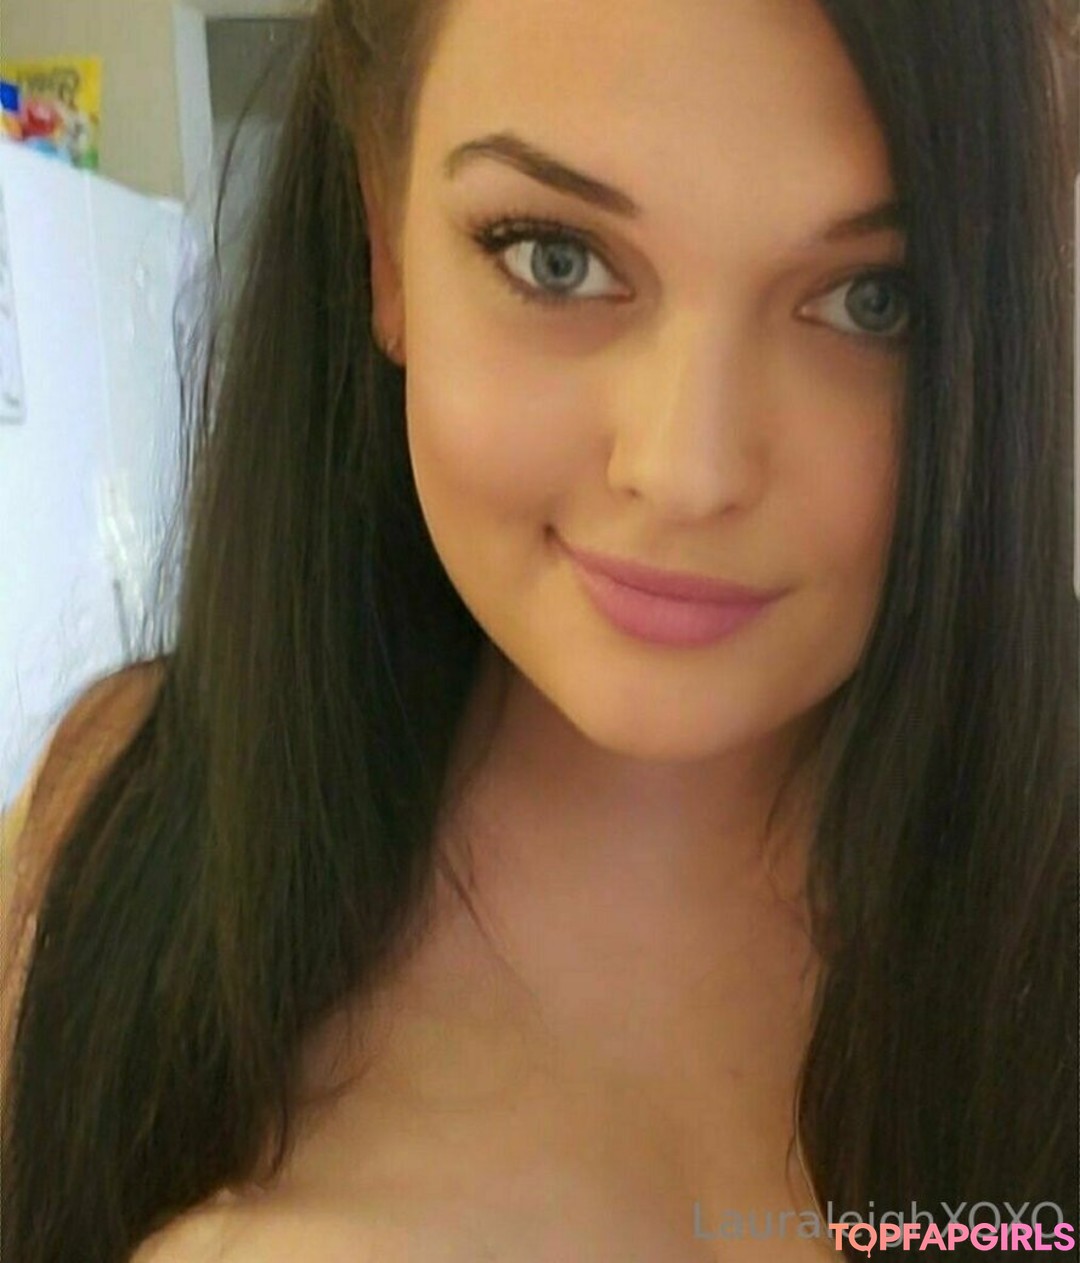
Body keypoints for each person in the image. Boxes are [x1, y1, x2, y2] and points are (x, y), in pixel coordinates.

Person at [2, 1, 1076, 1260]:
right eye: (555, 258)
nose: (687, 471)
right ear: (387, 243)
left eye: (873, 299)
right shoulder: (115, 833)